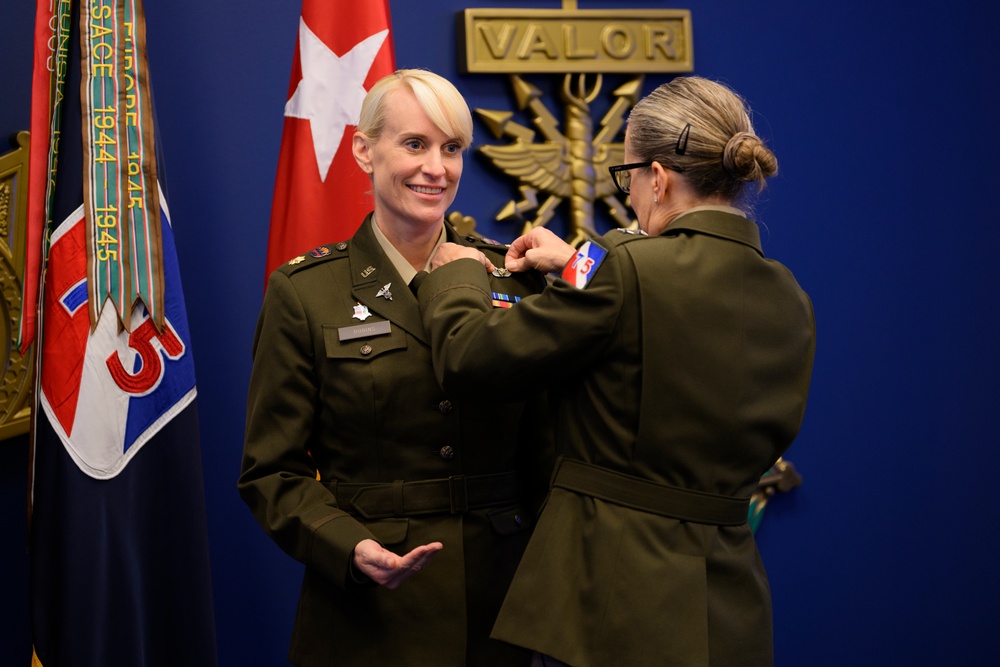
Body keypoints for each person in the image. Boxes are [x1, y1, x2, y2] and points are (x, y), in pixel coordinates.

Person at [414, 76, 816, 667]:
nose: (629, 198)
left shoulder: (622, 267)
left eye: (628, 179)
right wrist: (576, 264)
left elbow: (470, 360)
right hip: (727, 605)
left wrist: (457, 277)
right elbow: (653, 325)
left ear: (658, 177)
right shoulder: (790, 294)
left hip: (609, 605)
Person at [239, 69, 550, 667]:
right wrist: (348, 546)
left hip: (507, 602)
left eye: (452, 148)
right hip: (371, 614)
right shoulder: (306, 292)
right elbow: (270, 472)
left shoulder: (514, 280)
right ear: (363, 149)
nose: (437, 168)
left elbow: (551, 449)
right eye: (415, 144)